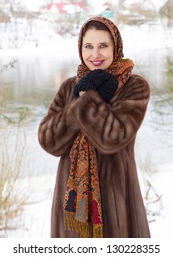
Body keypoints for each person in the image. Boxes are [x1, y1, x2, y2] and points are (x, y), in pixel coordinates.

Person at [38, 16, 150, 238]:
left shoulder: (134, 87)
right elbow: (48, 141)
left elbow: (113, 138)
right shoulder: (70, 86)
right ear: (80, 48)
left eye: (103, 46)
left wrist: (86, 100)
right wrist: (76, 106)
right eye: (88, 46)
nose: (95, 54)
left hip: (115, 201)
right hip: (71, 205)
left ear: (115, 47)